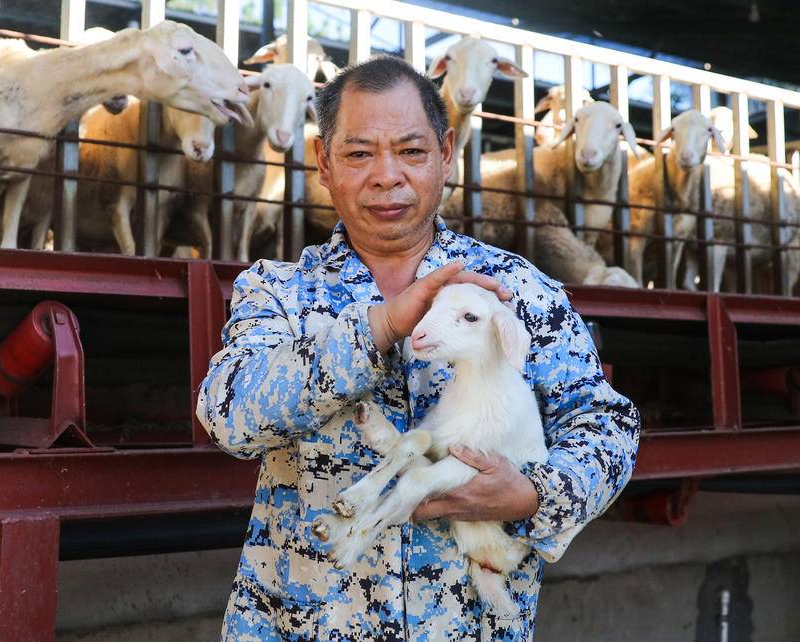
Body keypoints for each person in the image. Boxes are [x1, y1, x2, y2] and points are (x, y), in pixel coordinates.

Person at [197, 55, 639, 642]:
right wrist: (378, 326)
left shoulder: (514, 291)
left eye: (410, 150)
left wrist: (535, 492)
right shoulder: (278, 291)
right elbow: (228, 418)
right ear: (323, 162)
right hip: (301, 626)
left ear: (446, 153)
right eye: (359, 154)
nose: (387, 176)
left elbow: (606, 425)